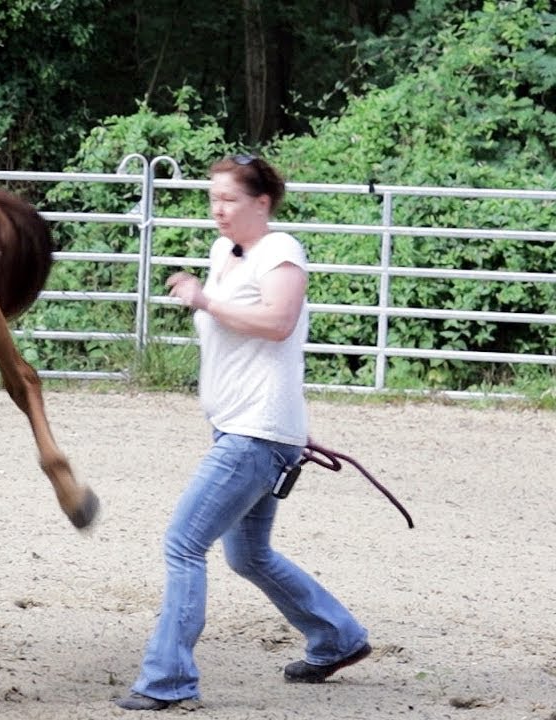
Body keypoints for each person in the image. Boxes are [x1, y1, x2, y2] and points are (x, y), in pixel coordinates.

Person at [115, 155, 371, 711]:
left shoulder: (281, 253)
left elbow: (279, 325)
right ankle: (337, 637)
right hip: (250, 429)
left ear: (262, 202)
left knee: (184, 543)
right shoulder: (226, 254)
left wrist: (203, 299)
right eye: (214, 198)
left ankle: (169, 679)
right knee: (248, 554)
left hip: (253, 434)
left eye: (229, 199)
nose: (218, 209)